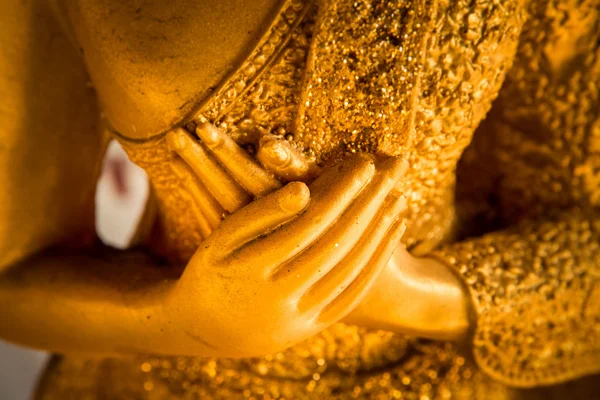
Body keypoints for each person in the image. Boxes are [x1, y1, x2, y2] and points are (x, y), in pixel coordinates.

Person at [1, 0, 598, 398]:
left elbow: (586, 261)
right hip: (161, 378)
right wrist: (184, 323)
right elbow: (12, 284)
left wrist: (405, 292)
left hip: (440, 372)